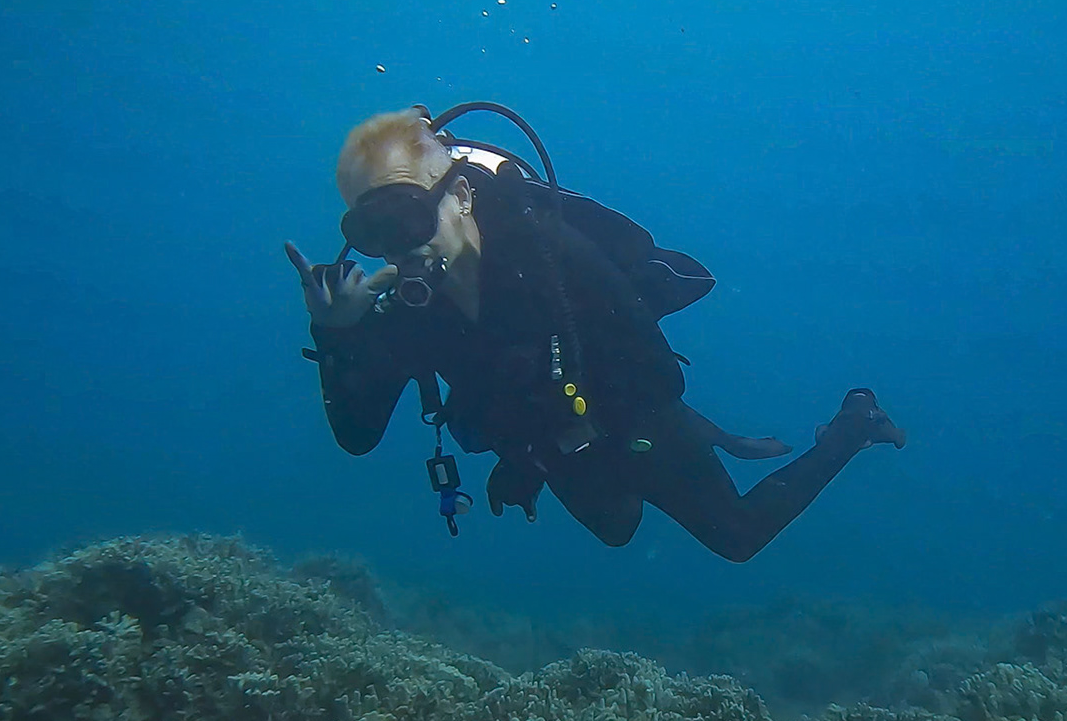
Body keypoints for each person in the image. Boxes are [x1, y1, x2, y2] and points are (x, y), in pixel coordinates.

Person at [284, 103, 905, 563]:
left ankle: (853, 425)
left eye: (407, 216)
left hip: (635, 411)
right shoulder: (411, 310)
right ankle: (695, 446)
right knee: (616, 528)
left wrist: (557, 443)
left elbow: (657, 377)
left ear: (463, 195)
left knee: (736, 536)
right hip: (551, 439)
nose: (401, 248)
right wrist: (336, 334)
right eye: (373, 231)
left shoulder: (554, 258)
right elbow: (357, 437)